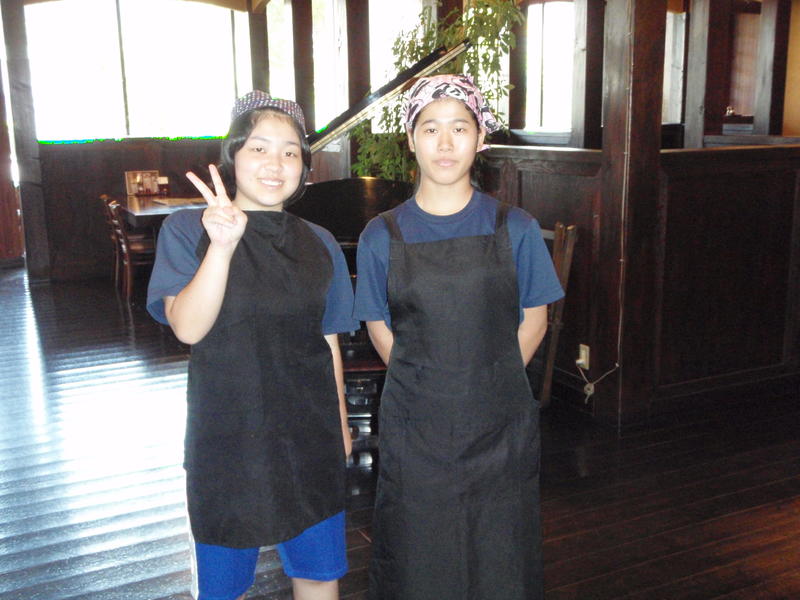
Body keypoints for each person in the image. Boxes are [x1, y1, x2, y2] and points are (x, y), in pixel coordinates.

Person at [354, 74, 565, 599]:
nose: (445, 143)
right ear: (411, 139)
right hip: (417, 424)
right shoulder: (382, 234)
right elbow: (378, 323)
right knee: (418, 553)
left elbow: (534, 319)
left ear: (480, 137)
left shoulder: (516, 227)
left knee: (500, 552)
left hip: (499, 422)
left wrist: (487, 383)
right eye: (430, 129)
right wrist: (430, 384)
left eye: (459, 128)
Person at [147, 91, 357, 600]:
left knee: (318, 572)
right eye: (259, 148)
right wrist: (222, 248)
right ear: (233, 156)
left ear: (304, 167)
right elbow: (187, 328)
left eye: (290, 152)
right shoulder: (188, 229)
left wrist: (341, 425)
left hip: (309, 433)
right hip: (226, 438)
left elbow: (327, 339)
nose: (275, 164)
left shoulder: (320, 241)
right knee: (223, 586)